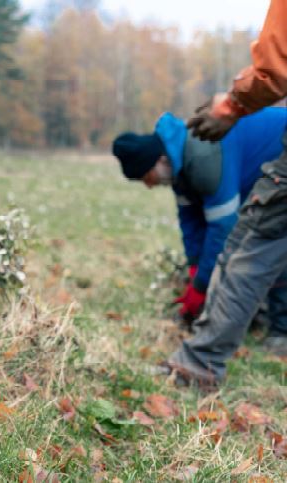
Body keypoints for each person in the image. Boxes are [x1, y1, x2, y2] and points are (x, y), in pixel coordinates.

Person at [165, 0, 287, 387]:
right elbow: (190, 220)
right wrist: (195, 273)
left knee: (250, 249)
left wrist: (234, 104)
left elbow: (275, 66)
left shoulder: (202, 160)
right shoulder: (184, 175)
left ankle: (198, 365)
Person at [112, 109, 287, 325]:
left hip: (281, 149)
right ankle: (256, 312)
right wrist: (195, 267)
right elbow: (191, 222)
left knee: (274, 237)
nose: (149, 186)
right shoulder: (179, 169)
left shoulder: (204, 158)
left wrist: (201, 285)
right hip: (262, 173)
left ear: (161, 160)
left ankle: (281, 329)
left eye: (147, 177)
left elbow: (224, 229)